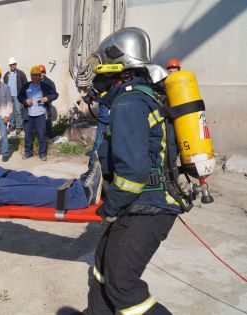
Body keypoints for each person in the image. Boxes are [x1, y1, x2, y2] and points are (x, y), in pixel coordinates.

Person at [78, 27, 182, 315]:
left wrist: (109, 208)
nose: (96, 75)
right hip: (138, 204)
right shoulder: (142, 96)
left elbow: (133, 172)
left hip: (147, 208)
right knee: (102, 267)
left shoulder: (128, 103)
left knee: (122, 284)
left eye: (100, 67)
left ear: (118, 65)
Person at [18, 66, 59, 161]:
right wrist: (25, 100)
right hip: (29, 115)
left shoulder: (44, 85)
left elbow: (55, 94)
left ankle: (42, 154)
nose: (34, 77)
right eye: (32, 75)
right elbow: (19, 97)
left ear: (39, 76)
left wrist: (46, 98)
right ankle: (28, 153)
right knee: (28, 134)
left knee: (41, 134)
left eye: (36, 75)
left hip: (40, 114)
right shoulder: (26, 86)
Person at [3, 57, 28, 135]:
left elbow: (25, 84)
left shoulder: (20, 73)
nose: (12, 65)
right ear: (9, 65)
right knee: (10, 111)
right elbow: (4, 83)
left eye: (13, 64)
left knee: (18, 110)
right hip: (9, 96)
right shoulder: (7, 75)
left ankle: (18, 127)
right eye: (11, 64)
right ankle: (12, 125)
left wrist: (24, 94)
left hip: (18, 95)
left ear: (16, 64)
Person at [39, 64, 58, 137]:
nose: (41, 74)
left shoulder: (49, 83)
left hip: (46, 105)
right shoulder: (35, 82)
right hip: (37, 106)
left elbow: (55, 94)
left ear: (45, 72)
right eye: (40, 72)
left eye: (42, 72)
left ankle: (48, 136)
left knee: (47, 121)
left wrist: (47, 98)